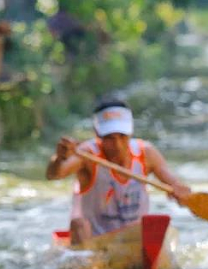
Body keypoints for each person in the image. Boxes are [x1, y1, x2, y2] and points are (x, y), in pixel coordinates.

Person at [46, 98, 192, 245]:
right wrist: (59, 158)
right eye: (109, 138)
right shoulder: (87, 154)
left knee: (152, 225)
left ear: (131, 132)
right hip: (96, 241)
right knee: (78, 223)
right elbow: (54, 174)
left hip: (132, 236)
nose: (117, 145)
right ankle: (85, 261)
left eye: (122, 136)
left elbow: (172, 181)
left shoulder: (146, 153)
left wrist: (179, 190)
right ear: (97, 134)